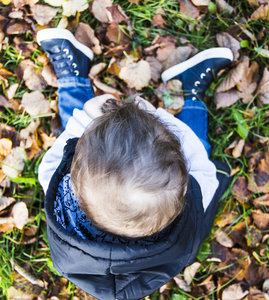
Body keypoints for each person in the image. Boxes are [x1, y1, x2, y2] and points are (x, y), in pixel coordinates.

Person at [37, 28, 233, 300]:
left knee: (75, 115)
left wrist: (85, 119)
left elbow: (50, 166)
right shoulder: (195, 197)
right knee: (199, 139)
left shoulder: (59, 192)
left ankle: (73, 79)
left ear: (74, 173)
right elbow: (198, 158)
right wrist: (156, 114)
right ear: (183, 188)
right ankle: (188, 93)